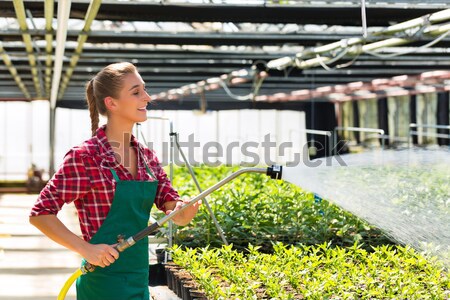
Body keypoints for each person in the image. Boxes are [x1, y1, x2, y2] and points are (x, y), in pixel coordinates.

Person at [29, 62, 200, 300]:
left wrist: (183, 212)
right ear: (111, 103)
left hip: (139, 283)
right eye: (136, 92)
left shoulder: (146, 157)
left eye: (145, 90)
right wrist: (85, 249)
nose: (147, 97)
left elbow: (173, 207)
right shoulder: (86, 157)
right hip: (102, 286)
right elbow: (41, 213)